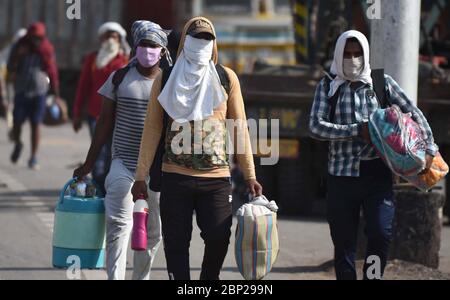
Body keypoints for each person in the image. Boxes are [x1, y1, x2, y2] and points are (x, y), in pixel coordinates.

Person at [131, 17, 263, 280]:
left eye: (207, 39)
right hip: (174, 178)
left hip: (215, 180)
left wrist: (250, 174)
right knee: (176, 245)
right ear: (184, 43)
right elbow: (153, 128)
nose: (201, 44)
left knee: (218, 237)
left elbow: (239, 128)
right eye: (195, 39)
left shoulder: (226, 78)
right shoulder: (167, 78)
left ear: (213, 44)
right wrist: (140, 175)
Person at [309, 30, 438, 280]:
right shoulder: (327, 87)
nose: (353, 59)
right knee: (344, 242)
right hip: (341, 176)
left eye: (357, 54)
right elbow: (315, 126)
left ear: (366, 54)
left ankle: (373, 277)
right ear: (338, 55)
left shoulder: (381, 83)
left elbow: (414, 113)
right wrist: (357, 130)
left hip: (377, 174)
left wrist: (430, 148)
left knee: (380, 233)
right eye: (346, 54)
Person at [73, 20, 172, 280]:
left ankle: (141, 277)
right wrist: (88, 164)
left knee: (153, 232)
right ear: (135, 47)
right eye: (144, 45)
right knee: (118, 224)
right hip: (123, 163)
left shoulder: (170, 83)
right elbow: (104, 123)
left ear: (162, 51)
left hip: (158, 170)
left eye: (154, 46)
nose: (148, 50)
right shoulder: (119, 78)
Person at [72, 22, 129, 194]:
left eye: (114, 36)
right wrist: (76, 114)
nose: (111, 39)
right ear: (101, 39)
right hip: (95, 115)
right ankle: (99, 190)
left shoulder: (125, 59)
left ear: (120, 39)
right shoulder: (93, 59)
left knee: (114, 155)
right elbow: (83, 86)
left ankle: (109, 191)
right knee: (99, 151)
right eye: (107, 36)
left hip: (119, 117)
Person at [7, 22, 60, 170]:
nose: (36, 40)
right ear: (28, 36)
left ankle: (33, 157)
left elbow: (52, 69)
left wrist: (56, 93)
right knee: (17, 122)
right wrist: (18, 56)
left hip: (39, 91)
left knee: (35, 124)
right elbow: (10, 67)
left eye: (39, 37)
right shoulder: (19, 46)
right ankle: (18, 143)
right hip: (21, 90)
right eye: (34, 37)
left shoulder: (46, 49)